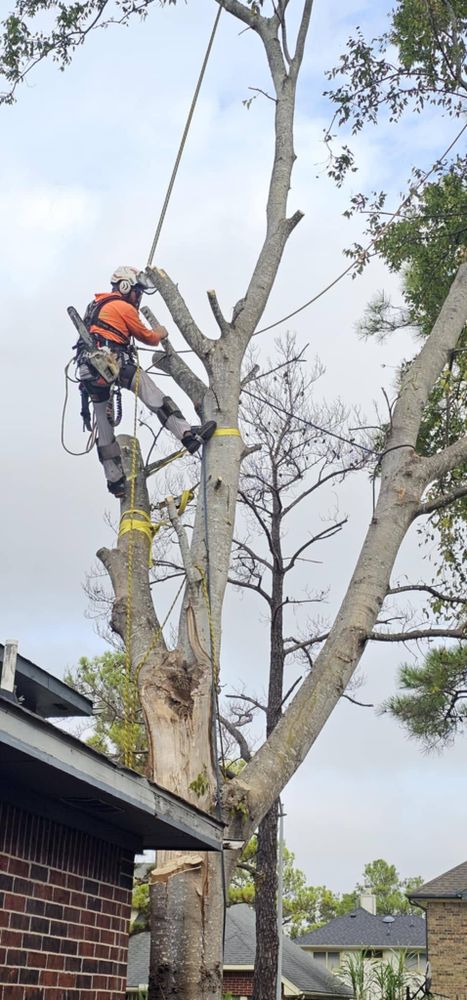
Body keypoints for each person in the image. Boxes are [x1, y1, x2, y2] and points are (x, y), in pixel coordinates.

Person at [78, 266, 216, 497]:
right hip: (115, 362)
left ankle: (115, 481)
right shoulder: (122, 306)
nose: (138, 297)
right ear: (125, 286)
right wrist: (161, 332)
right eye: (137, 291)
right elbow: (149, 338)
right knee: (153, 395)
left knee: (103, 423)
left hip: (89, 370)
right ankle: (187, 435)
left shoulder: (94, 307)